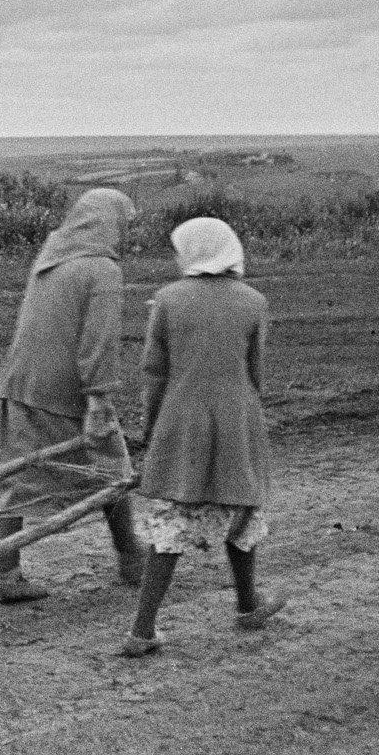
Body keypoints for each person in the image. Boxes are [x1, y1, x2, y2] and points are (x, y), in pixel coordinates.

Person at [120, 217, 286, 657]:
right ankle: (248, 603)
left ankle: (143, 628)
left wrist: (151, 428)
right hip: (237, 420)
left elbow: (154, 373)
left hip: (181, 421)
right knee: (243, 510)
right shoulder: (254, 302)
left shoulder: (168, 301)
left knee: (172, 520)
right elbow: (257, 373)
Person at [0, 188, 142, 603]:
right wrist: (100, 398)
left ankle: (6, 572)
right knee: (112, 466)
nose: (126, 233)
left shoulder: (50, 258)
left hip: (20, 379)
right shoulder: (102, 269)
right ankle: (130, 558)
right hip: (65, 387)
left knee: (12, 474)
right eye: (125, 223)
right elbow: (99, 342)